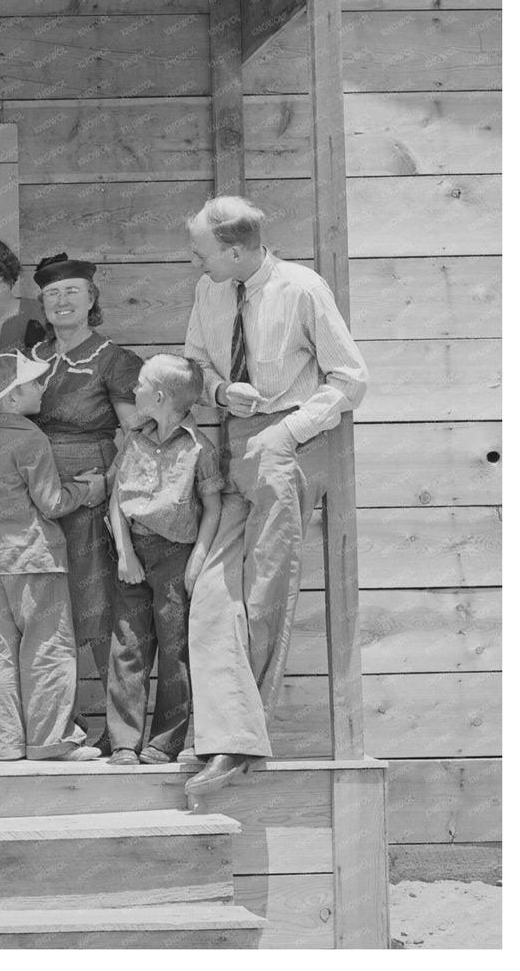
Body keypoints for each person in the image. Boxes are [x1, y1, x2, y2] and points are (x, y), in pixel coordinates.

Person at [181, 196, 368, 795]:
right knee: (211, 593)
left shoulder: (302, 289)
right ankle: (225, 734)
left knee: (264, 597)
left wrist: (285, 435)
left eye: (201, 252)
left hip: (285, 444)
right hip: (234, 444)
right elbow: (194, 363)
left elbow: (351, 379)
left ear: (235, 250)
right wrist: (217, 391)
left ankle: (235, 745)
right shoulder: (212, 291)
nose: (195, 262)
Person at [0, 354, 105, 763]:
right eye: (32, 383)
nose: (41, 388)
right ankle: (49, 742)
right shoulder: (30, 437)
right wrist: (92, 487)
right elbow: (53, 503)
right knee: (48, 648)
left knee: (3, 650)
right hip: (34, 557)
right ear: (9, 396)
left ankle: (7, 743)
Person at [26, 252, 144, 754]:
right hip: (34, 491)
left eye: (72, 291)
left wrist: (108, 486)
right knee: (46, 608)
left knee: (97, 609)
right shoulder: (31, 357)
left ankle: (121, 732)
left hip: (90, 495)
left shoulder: (114, 360)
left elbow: (138, 434)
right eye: (52, 294)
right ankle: (58, 728)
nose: (61, 301)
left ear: (92, 299)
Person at [105, 355, 222, 767]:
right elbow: (117, 500)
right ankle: (123, 741)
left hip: (177, 558)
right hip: (132, 555)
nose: (132, 391)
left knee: (176, 650)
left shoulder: (199, 449)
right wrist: (124, 554)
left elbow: (211, 506)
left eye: (138, 384)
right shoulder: (133, 440)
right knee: (127, 647)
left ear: (157, 397)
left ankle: (165, 742)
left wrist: (198, 560)